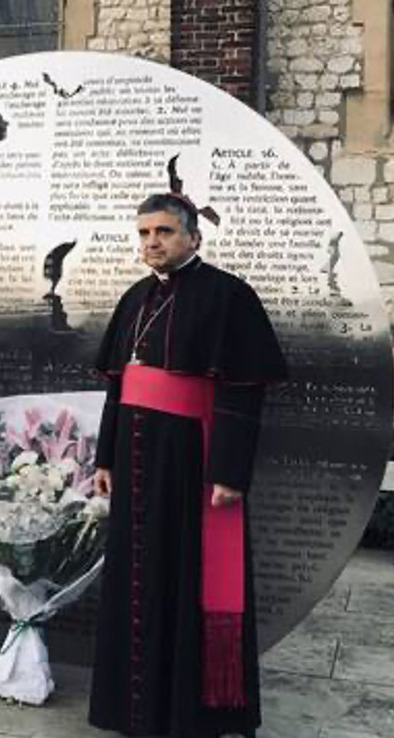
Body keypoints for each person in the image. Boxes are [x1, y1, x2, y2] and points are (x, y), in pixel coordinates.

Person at [89, 193, 287, 738]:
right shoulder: (135, 298)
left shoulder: (229, 296)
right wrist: (105, 457)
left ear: (193, 237)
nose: (152, 242)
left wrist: (229, 471)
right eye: (144, 233)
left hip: (189, 462)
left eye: (164, 232)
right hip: (133, 462)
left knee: (186, 578)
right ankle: (137, 711)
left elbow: (242, 391)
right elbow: (118, 386)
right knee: (137, 581)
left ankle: (189, 716)